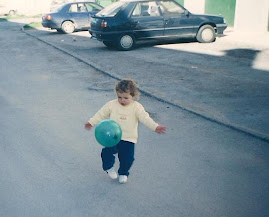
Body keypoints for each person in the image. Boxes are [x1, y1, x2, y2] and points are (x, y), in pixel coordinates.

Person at [84, 79, 166, 184]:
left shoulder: (136, 107)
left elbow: (145, 118)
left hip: (129, 138)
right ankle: (109, 167)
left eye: (126, 98)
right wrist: (91, 122)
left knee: (128, 159)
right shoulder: (112, 104)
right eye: (119, 97)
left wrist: (155, 127)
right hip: (113, 137)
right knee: (106, 152)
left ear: (133, 96)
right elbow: (101, 114)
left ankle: (123, 173)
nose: (122, 100)